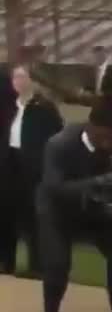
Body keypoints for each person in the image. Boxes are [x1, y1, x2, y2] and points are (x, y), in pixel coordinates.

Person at [32, 103, 112, 312]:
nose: (108, 143)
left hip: (96, 211)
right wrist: (96, 183)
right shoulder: (59, 145)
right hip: (57, 211)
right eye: (105, 137)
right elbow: (54, 187)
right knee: (57, 264)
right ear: (91, 128)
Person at [1, 64, 64, 277]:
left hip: (33, 168)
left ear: (32, 80)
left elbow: (56, 135)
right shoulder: (9, 107)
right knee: (6, 213)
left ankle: (36, 265)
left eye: (22, 76)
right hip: (9, 164)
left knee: (32, 217)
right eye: (15, 77)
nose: (18, 81)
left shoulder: (44, 108)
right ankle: (6, 262)